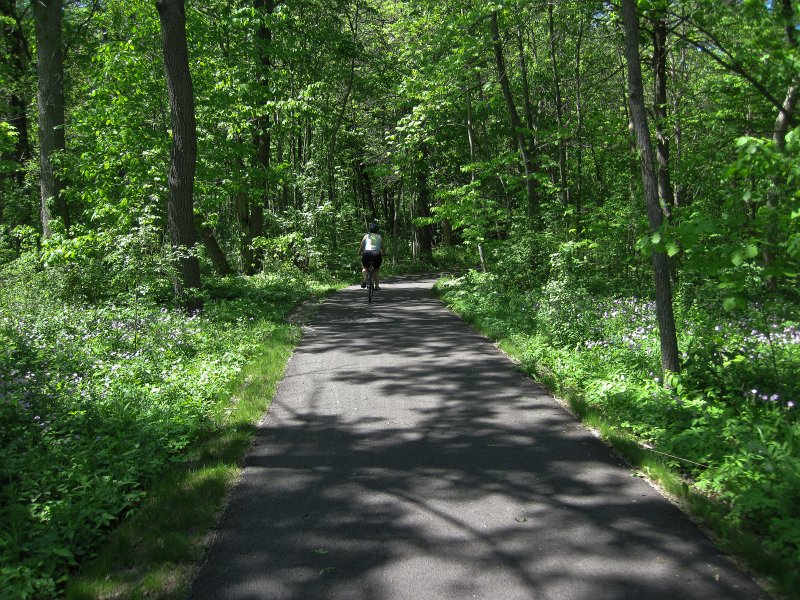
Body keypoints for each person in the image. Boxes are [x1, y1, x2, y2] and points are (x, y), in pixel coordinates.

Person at [358, 222, 383, 290]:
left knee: (365, 269)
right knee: (376, 270)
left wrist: (359, 253)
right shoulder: (379, 237)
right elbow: (383, 248)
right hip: (376, 254)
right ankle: (377, 286)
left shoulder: (366, 236)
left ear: (370, 230)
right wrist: (384, 253)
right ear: (377, 230)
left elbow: (361, 246)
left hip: (366, 254)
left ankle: (365, 281)